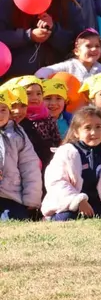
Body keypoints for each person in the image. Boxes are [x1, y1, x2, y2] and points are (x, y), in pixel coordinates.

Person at [0, 0, 85, 81]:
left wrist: (54, 30)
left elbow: (78, 42)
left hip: (55, 81)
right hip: (16, 80)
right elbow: (2, 36)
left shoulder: (67, 3)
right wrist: (29, 35)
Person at [41, 106, 101, 220]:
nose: (94, 132)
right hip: (69, 205)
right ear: (76, 132)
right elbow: (56, 182)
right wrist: (78, 201)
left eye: (98, 127)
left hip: (98, 204)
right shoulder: (66, 153)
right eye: (88, 128)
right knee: (66, 218)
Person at [0, 91, 43, 221]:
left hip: (11, 195)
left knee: (17, 220)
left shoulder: (18, 135)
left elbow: (30, 167)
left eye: (3, 110)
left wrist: (31, 199)